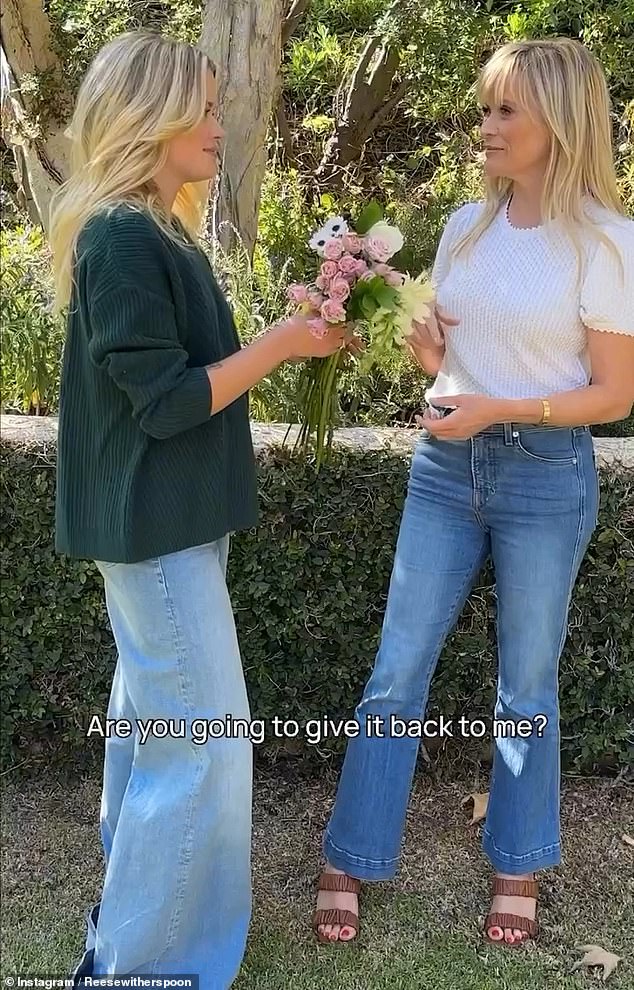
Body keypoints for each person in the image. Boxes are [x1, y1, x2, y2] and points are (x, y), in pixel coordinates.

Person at [313, 37, 634, 947]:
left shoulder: (609, 243)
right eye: (485, 107)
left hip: (545, 474)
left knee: (527, 678)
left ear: (560, 124)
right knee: (396, 669)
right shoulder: (465, 227)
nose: (486, 126)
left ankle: (520, 859)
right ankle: (352, 851)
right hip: (446, 472)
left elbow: (615, 393)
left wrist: (497, 405)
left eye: (506, 110)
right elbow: (447, 363)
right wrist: (410, 338)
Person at [50, 30, 348, 988]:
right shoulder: (124, 236)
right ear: (156, 116)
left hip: (164, 527)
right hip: (157, 532)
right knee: (202, 750)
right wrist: (283, 343)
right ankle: (147, 962)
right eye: (208, 108)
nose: (222, 127)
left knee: (155, 727)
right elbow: (170, 401)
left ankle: (137, 922)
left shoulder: (145, 226)